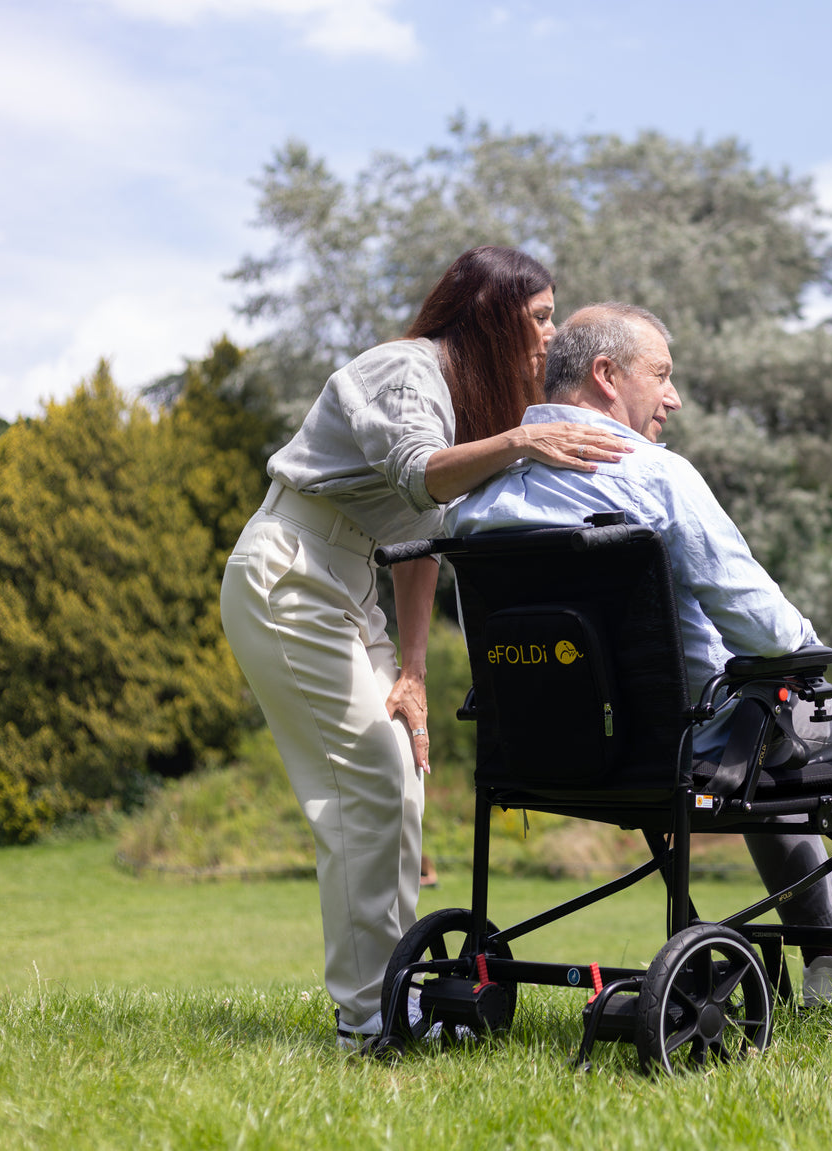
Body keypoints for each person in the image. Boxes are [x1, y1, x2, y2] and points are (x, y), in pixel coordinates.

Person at [448, 302, 832, 1012]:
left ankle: (829, 959)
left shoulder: (482, 496)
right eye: (663, 375)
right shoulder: (656, 476)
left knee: (774, 733)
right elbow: (764, 628)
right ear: (607, 374)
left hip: (536, 753)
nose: (673, 397)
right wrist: (811, 658)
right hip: (678, 746)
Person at [220, 247, 632, 1050]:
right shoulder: (406, 373)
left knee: (397, 773)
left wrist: (412, 674)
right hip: (290, 570)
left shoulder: (466, 405)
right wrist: (522, 443)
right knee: (365, 778)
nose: (550, 335)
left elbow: (420, 543)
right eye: (541, 315)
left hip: (349, 581)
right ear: (490, 312)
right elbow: (419, 478)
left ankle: (392, 993)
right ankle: (369, 1016)